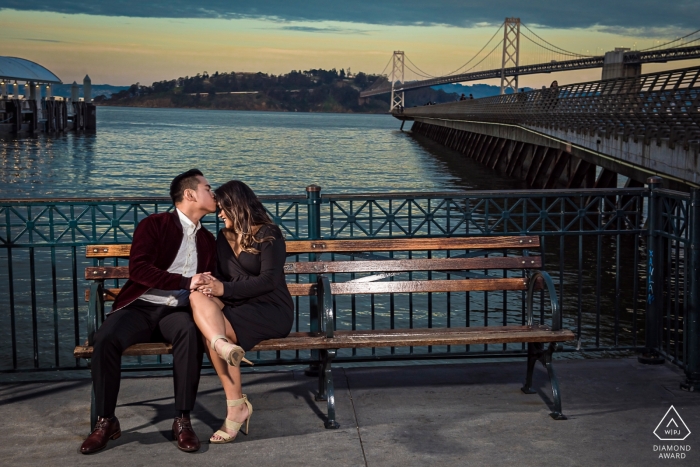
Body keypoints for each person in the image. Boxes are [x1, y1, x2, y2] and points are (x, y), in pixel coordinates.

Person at [79, 169, 217, 455]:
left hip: (177, 311)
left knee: (190, 334)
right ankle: (106, 421)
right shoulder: (154, 224)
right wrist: (185, 281)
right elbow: (139, 270)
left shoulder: (208, 240)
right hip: (140, 307)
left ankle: (182, 419)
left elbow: (210, 278)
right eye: (208, 187)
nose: (213, 193)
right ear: (190, 194)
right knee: (105, 339)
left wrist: (206, 286)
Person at [190, 180, 294, 444]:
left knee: (211, 335)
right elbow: (221, 277)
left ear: (238, 206)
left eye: (224, 208)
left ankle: (236, 406)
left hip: (270, 310)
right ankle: (223, 349)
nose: (220, 213)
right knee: (197, 298)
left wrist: (222, 289)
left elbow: (269, 281)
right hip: (238, 305)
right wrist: (208, 285)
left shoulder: (269, 233)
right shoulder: (223, 238)